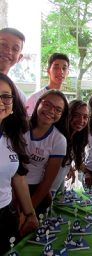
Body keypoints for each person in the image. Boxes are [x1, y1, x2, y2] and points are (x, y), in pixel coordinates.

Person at [0, 73, 38, 255]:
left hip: (6, 216)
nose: (0, 102)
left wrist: (30, 213)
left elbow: (18, 177)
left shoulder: (11, 137)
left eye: (5, 96)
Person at [24, 90, 69, 216]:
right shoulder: (20, 128)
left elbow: (47, 182)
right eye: (47, 104)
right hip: (9, 189)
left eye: (58, 110)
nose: (51, 111)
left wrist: (28, 212)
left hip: (36, 191)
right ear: (38, 103)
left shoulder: (59, 140)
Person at [51, 99, 89, 195]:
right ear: (67, 114)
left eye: (85, 117)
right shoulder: (57, 137)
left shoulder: (76, 137)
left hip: (57, 185)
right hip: (46, 188)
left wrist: (69, 167)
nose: (81, 120)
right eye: (76, 115)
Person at [0, 27, 27, 105]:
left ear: (19, 58)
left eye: (15, 49)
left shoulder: (19, 97)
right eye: (3, 44)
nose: (8, 51)